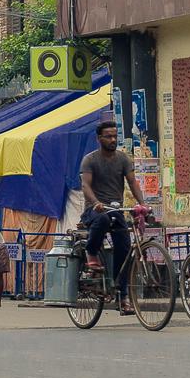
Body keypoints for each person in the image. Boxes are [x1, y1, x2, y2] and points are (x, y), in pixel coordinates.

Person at [79, 119, 144, 315]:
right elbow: (85, 186)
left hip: (116, 210)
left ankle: (122, 296)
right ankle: (91, 252)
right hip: (95, 209)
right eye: (108, 136)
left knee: (124, 250)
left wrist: (142, 204)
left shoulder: (123, 159)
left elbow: (132, 182)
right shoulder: (90, 160)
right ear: (99, 139)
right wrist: (95, 202)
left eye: (115, 136)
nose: (113, 139)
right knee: (103, 219)